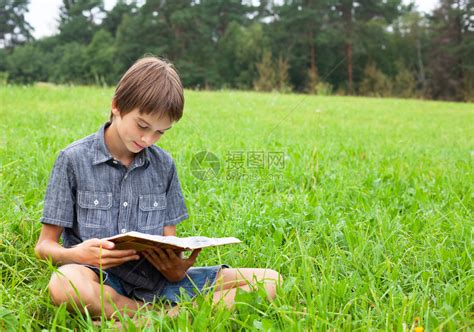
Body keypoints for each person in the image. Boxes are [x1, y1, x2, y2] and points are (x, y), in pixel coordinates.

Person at [35, 56, 281, 319]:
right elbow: (44, 247)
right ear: (117, 106)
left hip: (160, 281)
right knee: (63, 285)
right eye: (142, 125)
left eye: (160, 132)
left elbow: (169, 241)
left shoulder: (164, 164)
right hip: (99, 278)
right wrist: (77, 254)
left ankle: (146, 320)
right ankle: (167, 317)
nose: (147, 139)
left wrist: (176, 268)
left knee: (270, 280)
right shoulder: (73, 159)